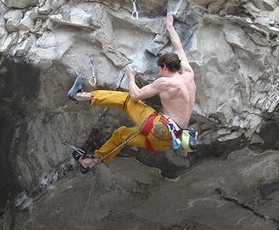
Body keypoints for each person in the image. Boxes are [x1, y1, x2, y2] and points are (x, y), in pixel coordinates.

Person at [69, 12, 196, 172]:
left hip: (158, 129)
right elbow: (179, 48)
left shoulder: (166, 82)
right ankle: (92, 161)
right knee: (122, 135)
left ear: (164, 67)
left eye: (159, 70)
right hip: (167, 141)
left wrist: (131, 77)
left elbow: (135, 96)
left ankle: (80, 95)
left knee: (126, 100)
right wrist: (169, 26)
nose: (159, 74)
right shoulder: (188, 73)